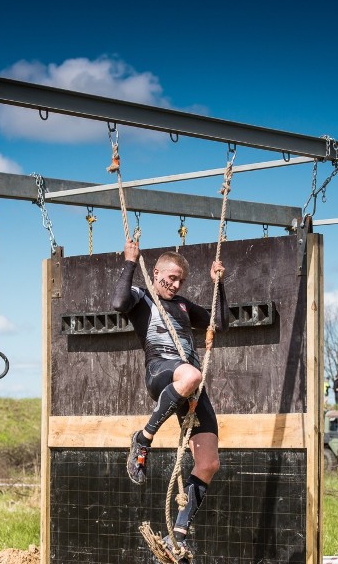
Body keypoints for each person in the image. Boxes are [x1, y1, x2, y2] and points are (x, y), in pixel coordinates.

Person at [111, 239, 229, 560]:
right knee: (191, 375)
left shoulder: (184, 307)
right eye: (171, 277)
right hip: (162, 372)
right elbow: (119, 302)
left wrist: (219, 283)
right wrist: (130, 262)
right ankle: (143, 438)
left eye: (180, 280)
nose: (175, 284)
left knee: (208, 463)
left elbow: (220, 323)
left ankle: (177, 535)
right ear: (157, 272)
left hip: (189, 385)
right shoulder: (143, 296)